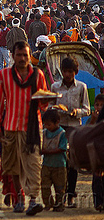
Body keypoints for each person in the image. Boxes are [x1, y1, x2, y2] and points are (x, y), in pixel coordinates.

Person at [0, 41, 48, 216]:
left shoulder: (38, 75)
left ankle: (33, 200)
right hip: (11, 127)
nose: (22, 58)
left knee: (33, 165)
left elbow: (43, 103)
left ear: (29, 56)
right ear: (13, 56)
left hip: (32, 129)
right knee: (13, 167)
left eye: (25, 55)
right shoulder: (4, 75)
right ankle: (19, 198)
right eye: (19, 55)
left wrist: (47, 101)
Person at [50, 57, 90, 208]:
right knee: (59, 163)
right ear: (62, 71)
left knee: (72, 163)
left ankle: (71, 195)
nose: (67, 75)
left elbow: (87, 109)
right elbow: (50, 106)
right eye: (65, 71)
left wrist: (76, 112)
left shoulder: (81, 87)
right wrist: (56, 109)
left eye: (70, 72)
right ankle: (59, 195)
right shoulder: (55, 87)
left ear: (76, 72)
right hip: (59, 128)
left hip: (74, 128)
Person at [40, 109, 67, 212]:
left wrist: (46, 152)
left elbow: (62, 148)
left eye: (49, 124)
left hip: (59, 165)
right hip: (46, 164)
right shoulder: (44, 133)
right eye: (45, 124)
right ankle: (48, 204)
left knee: (60, 187)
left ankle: (59, 204)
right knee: (45, 186)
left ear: (57, 122)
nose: (47, 126)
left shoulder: (62, 133)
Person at [90, 93, 104, 211]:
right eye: (97, 105)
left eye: (101, 105)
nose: (99, 107)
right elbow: (88, 132)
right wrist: (94, 120)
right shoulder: (94, 118)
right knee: (97, 178)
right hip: (97, 152)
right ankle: (98, 203)